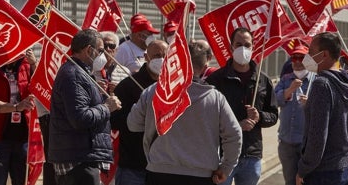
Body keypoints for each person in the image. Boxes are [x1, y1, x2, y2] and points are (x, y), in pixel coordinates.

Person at [126, 35, 242, 185]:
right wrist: (225, 168)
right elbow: (234, 134)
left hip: (160, 172)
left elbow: (133, 124)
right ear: (205, 65)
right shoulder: (216, 98)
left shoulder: (154, 91)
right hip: (202, 175)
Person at [205, 27, 278, 185]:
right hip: (222, 156)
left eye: (247, 45)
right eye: (239, 45)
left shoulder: (263, 80)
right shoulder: (216, 80)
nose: (243, 49)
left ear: (253, 47)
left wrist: (259, 116)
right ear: (231, 47)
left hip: (252, 154)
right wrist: (237, 126)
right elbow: (207, 120)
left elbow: (273, 116)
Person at [49, 29, 122, 185]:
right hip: (78, 161)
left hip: (80, 157)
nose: (103, 55)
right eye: (101, 50)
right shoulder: (74, 75)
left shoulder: (79, 73)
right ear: (89, 50)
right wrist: (107, 107)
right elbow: (80, 118)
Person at [296, 32, 348, 185]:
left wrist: (302, 169)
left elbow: (317, 138)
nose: (308, 56)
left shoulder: (322, 85)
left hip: (323, 172)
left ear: (324, 54)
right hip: (346, 167)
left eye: (311, 52)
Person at [111, 39, 168, 185]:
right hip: (133, 165)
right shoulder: (128, 85)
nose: (160, 59)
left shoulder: (173, 85)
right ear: (146, 57)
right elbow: (114, 120)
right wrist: (140, 117)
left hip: (164, 167)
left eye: (164, 55)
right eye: (156, 55)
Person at [0, 50, 36, 185]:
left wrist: (34, 64)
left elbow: (40, 87)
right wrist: (16, 107)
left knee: (21, 179)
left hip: (22, 136)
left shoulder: (26, 64)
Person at [274, 44, 313, 185]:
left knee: (307, 181)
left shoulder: (316, 80)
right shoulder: (285, 79)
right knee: (290, 181)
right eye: (294, 58)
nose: (296, 61)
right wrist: (289, 91)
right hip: (287, 142)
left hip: (306, 143)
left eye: (301, 58)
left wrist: (310, 103)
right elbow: (274, 101)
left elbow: (323, 107)